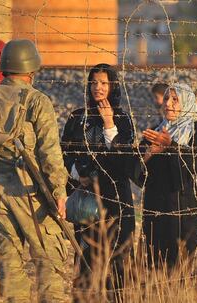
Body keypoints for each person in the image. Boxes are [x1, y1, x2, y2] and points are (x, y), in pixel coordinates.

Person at [0, 39, 68, 302]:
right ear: (32, 70)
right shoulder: (38, 101)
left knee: (10, 267)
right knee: (49, 259)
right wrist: (59, 192)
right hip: (30, 192)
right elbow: (49, 152)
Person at [129, 83, 197, 301]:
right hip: (159, 216)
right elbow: (137, 174)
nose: (168, 104)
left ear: (187, 104)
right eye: (166, 100)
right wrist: (151, 152)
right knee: (162, 273)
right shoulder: (155, 132)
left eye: (175, 100)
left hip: (192, 215)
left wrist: (171, 147)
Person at [61, 63, 135, 301]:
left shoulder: (122, 118)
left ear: (113, 86)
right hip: (85, 201)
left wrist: (109, 125)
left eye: (103, 83)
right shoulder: (77, 117)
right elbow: (64, 152)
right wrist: (76, 173)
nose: (98, 88)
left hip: (115, 201)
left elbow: (124, 160)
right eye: (93, 82)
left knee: (117, 263)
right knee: (85, 261)